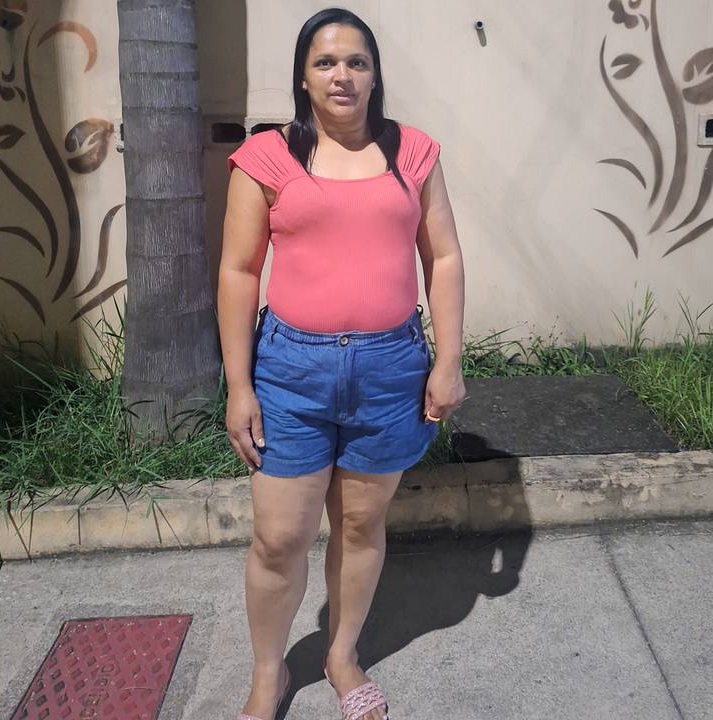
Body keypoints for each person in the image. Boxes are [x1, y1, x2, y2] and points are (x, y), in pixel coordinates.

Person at [217, 7, 466, 720]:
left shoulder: (412, 153)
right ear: (303, 76)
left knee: (360, 527)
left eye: (357, 62)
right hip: (290, 373)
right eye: (325, 62)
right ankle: (269, 674)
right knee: (279, 538)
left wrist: (448, 359)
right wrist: (239, 386)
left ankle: (342, 656)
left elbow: (444, 258)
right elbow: (238, 272)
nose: (342, 75)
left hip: (390, 372)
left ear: (374, 74)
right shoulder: (268, 157)